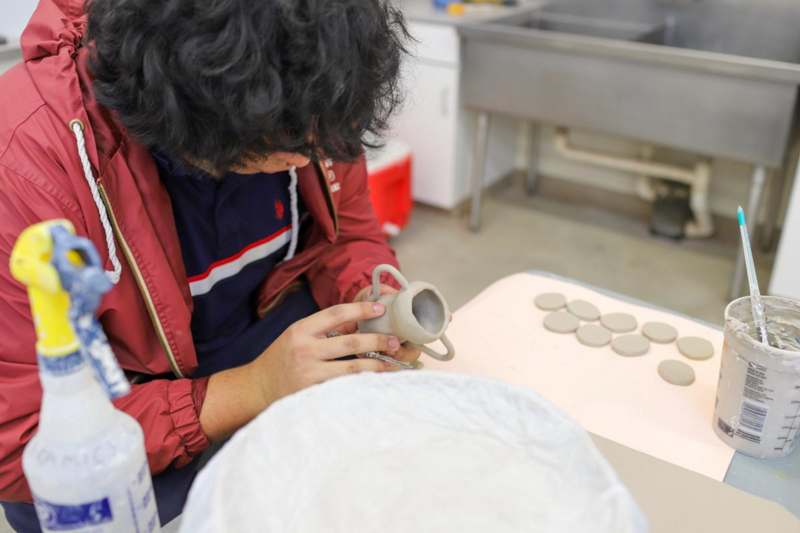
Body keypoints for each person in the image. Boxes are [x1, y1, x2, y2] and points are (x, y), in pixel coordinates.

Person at [0, 0, 414, 529]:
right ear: (194, 107)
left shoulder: (314, 92)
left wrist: (370, 296)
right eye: (290, 143)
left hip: (265, 345)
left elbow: (348, 235)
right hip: (116, 413)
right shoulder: (27, 164)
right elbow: (20, 437)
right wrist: (251, 390)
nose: (311, 157)